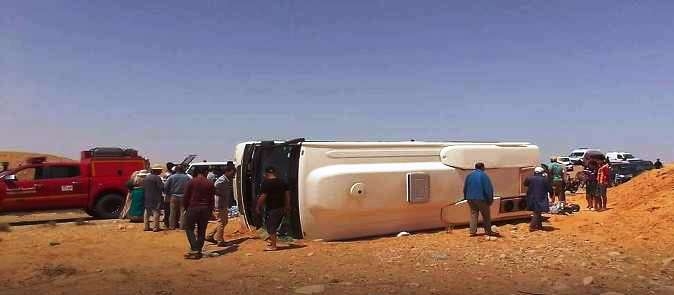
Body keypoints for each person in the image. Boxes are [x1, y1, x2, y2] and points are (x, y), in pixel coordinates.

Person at [183, 166, 215, 259]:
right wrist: (210, 210)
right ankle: (198, 249)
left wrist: (185, 208)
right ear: (205, 172)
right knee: (202, 230)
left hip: (193, 208)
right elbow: (211, 199)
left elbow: (186, 196)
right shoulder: (210, 183)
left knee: (189, 228)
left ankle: (195, 249)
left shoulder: (192, 182)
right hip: (205, 209)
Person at [256, 167, 291, 251]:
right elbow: (287, 195)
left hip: (273, 208)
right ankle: (273, 241)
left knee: (271, 227)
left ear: (266, 174)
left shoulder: (266, 183)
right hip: (281, 207)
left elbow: (263, 197)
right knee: (273, 225)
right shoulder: (282, 182)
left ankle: (273, 246)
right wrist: (287, 206)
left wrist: (258, 207)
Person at [463, 162, 498, 237]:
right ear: (482, 167)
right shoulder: (483, 175)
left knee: (473, 214)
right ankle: (488, 231)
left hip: (470, 198)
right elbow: (488, 189)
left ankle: (472, 231)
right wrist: (490, 200)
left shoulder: (469, 175)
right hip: (481, 198)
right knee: (486, 215)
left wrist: (466, 196)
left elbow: (465, 187)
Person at [206, 165, 235, 246]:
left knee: (223, 221)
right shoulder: (221, 180)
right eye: (233, 172)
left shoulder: (226, 180)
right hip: (220, 204)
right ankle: (220, 241)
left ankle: (209, 236)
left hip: (223, 203)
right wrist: (220, 194)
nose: (234, 174)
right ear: (227, 171)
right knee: (222, 222)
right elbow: (213, 189)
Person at [524, 167, 552, 232]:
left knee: (537, 211)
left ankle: (539, 226)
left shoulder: (529, 178)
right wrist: (551, 195)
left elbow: (525, 184)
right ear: (542, 172)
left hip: (531, 197)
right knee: (537, 211)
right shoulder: (545, 180)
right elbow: (549, 189)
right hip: (540, 197)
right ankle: (532, 226)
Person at [164, 165, 191, 230]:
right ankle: (182, 226)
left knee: (172, 212)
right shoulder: (187, 177)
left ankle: (172, 226)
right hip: (184, 196)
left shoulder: (171, 177)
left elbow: (165, 187)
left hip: (173, 196)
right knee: (183, 212)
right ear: (183, 170)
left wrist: (168, 193)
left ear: (176, 170)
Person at [143, 165, 165, 232]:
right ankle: (156, 227)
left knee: (147, 212)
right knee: (156, 212)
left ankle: (146, 227)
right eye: (160, 170)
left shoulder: (147, 177)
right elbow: (161, 187)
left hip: (147, 196)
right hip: (155, 197)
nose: (161, 172)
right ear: (156, 170)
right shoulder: (157, 178)